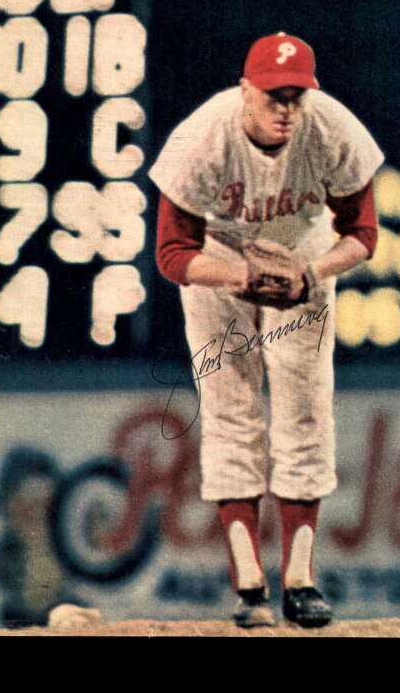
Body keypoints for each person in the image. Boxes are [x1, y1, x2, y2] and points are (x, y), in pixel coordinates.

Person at [149, 32, 384, 628]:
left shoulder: (334, 130)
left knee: (305, 409)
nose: (286, 107)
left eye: (296, 95)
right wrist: (236, 276)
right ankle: (248, 584)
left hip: (301, 254)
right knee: (229, 409)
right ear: (245, 90)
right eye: (274, 94)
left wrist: (313, 272)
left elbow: (363, 233)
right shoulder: (202, 139)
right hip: (219, 257)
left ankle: (300, 580)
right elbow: (173, 254)